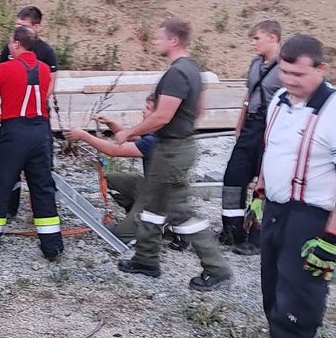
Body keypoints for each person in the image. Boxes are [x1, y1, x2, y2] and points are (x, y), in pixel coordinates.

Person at [112, 18, 233, 291]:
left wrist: (128, 132)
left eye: (159, 37)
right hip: (176, 147)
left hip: (172, 150)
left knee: (179, 212)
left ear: (173, 40)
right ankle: (146, 260)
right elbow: (199, 110)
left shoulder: (177, 73)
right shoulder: (193, 70)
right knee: (154, 207)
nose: (155, 42)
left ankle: (217, 268)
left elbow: (162, 116)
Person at [252, 35, 336, 338]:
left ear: (320, 69)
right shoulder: (280, 103)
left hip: (312, 219)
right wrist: (261, 191)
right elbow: (274, 151)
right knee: (273, 294)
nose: (288, 79)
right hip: (277, 211)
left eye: (297, 73)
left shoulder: (334, 111)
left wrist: (330, 238)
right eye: (284, 71)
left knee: (295, 306)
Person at [0, 25, 64, 260]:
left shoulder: (5, 68)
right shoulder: (43, 69)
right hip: (41, 132)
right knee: (42, 188)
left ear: (16, 44)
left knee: (1, 186)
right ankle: (52, 247)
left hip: (15, 133)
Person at [220, 20, 283, 255]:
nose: (253, 43)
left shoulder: (285, 67)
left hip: (271, 128)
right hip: (250, 127)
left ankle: (257, 238)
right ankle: (232, 231)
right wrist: (239, 123)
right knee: (233, 178)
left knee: (264, 184)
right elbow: (248, 95)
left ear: (272, 38)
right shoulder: (255, 63)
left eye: (257, 38)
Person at [63, 94, 158, 244]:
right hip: (151, 187)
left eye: (148, 108)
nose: (143, 111)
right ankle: (139, 216)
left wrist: (84, 136)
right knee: (112, 180)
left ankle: (152, 225)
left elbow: (114, 150)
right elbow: (132, 137)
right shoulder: (156, 130)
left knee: (119, 237)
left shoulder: (156, 140)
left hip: (161, 197)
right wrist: (111, 123)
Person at [0, 6, 59, 218]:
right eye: (17, 26)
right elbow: (1, 75)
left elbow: (51, 83)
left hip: (38, 117)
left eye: (23, 26)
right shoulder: (10, 50)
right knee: (9, 169)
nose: (18, 30)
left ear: (36, 27)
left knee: (41, 168)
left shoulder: (47, 52)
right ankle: (9, 208)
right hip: (14, 116)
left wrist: (36, 102)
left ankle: (39, 209)